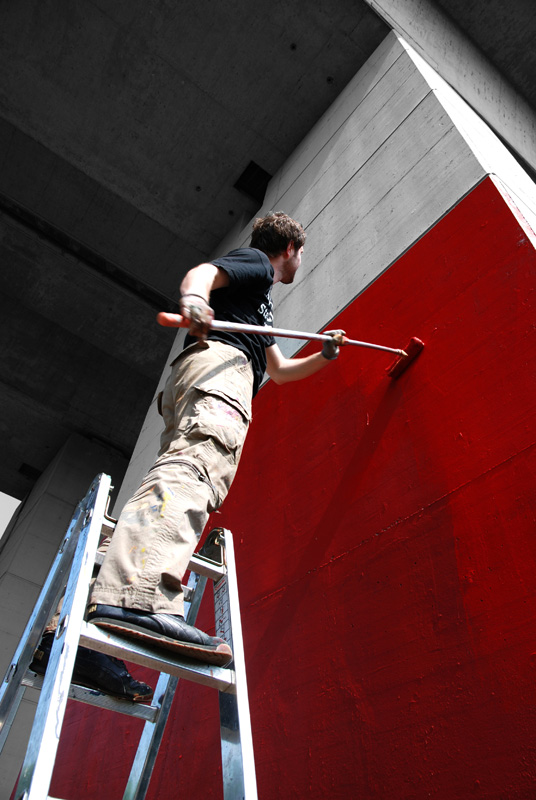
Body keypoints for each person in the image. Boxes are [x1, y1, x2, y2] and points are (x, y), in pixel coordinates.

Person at [82, 212, 343, 668]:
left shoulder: (258, 304)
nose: (301, 262)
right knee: (199, 466)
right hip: (221, 370)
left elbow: (279, 373)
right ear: (290, 250)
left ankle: (90, 633)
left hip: (208, 373)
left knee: (179, 470)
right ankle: (136, 598)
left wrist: (323, 354)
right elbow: (204, 273)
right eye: (302, 254)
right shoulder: (259, 265)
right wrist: (194, 300)